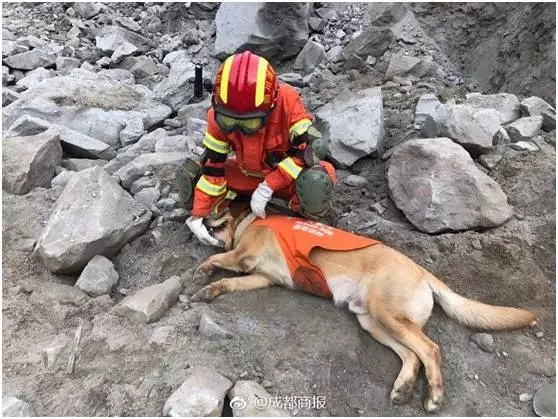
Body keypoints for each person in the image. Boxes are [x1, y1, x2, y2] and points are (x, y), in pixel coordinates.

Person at [176, 50, 336, 246]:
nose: (240, 130)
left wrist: (269, 185)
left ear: (270, 107)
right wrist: (198, 214)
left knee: (315, 183)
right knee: (192, 175)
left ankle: (300, 217)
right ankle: (230, 208)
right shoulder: (217, 115)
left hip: (285, 180)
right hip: (247, 175)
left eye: (249, 124)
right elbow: (213, 167)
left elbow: (311, 150)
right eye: (229, 122)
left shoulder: (287, 100)